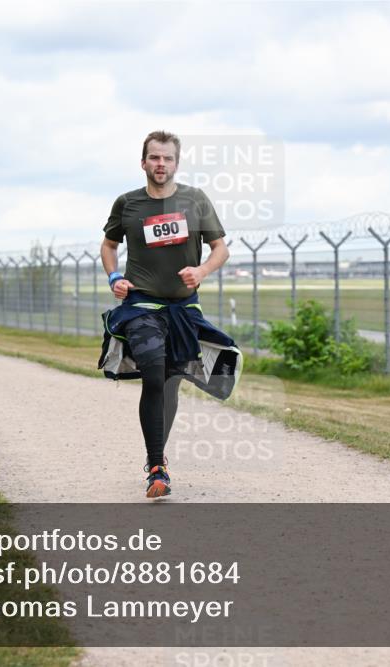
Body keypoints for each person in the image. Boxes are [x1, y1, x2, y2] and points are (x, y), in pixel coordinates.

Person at [97, 130, 240, 499]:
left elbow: (220, 248)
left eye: (168, 158)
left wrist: (202, 271)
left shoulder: (194, 200)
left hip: (183, 307)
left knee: (171, 380)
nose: (161, 164)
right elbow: (109, 245)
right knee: (154, 371)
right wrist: (114, 276)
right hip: (142, 304)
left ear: (176, 163)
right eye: (155, 158)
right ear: (143, 162)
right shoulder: (127, 204)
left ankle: (158, 454)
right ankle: (157, 465)